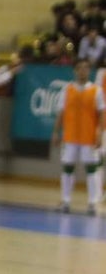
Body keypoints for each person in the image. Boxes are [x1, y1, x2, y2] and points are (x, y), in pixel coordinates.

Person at [52, 57, 105, 214]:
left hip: (88, 136)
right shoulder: (67, 89)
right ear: (75, 70)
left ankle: (92, 203)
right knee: (67, 167)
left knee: (91, 169)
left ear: (89, 71)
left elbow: (102, 113)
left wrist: (100, 132)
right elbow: (61, 113)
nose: (83, 71)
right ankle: (66, 201)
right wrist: (56, 132)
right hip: (70, 136)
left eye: (86, 68)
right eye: (80, 68)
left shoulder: (97, 90)